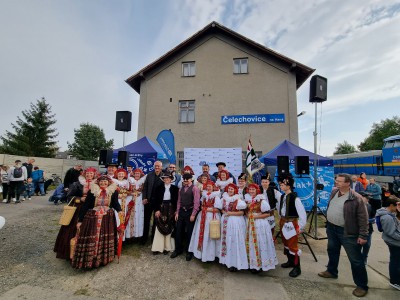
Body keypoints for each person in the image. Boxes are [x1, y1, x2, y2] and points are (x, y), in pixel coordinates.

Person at [318, 173, 369, 298]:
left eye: (340, 181)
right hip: (332, 228)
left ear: (348, 183)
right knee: (332, 251)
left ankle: (362, 286)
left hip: (347, 232)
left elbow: (363, 218)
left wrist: (363, 235)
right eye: (336, 180)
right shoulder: (335, 191)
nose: (337, 182)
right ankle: (331, 271)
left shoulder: (356, 198)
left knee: (356, 260)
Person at [72, 175, 122, 269]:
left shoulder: (113, 191)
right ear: (98, 183)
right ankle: (91, 259)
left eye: (105, 182)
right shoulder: (93, 191)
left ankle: (104, 258)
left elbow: (115, 203)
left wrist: (119, 211)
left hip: (107, 218)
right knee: (93, 236)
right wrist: (80, 220)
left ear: (109, 183)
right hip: (93, 217)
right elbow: (86, 205)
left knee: (105, 237)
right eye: (101, 182)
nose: (103, 183)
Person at [54, 167, 97, 260]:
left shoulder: (97, 184)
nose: (89, 175)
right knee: (74, 228)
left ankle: (88, 252)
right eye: (87, 174)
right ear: (84, 174)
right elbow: (69, 197)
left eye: (91, 174)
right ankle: (70, 252)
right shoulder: (77, 184)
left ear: (94, 175)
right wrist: (79, 199)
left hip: (92, 209)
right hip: (79, 208)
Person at [277, 173, 306, 278]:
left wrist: (301, 227)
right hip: (283, 221)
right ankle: (290, 261)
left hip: (291, 223)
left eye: (282, 185)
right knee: (286, 243)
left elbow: (302, 214)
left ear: (288, 186)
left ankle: (297, 268)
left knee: (293, 245)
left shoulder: (295, 199)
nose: (281, 186)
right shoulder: (283, 196)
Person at [244, 183, 278, 273]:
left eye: (253, 190)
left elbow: (267, 214)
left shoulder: (261, 200)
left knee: (260, 243)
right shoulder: (247, 200)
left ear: (257, 190)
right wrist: (248, 215)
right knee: (251, 243)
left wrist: (255, 217)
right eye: (250, 190)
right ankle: (252, 263)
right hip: (250, 224)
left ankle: (261, 264)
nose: (251, 191)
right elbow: (246, 212)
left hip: (259, 224)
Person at [188, 180, 222, 262]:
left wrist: (206, 209)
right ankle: (200, 253)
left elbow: (218, 210)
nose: (208, 188)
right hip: (202, 216)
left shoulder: (216, 197)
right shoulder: (203, 196)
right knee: (202, 233)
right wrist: (203, 209)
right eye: (207, 186)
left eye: (210, 186)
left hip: (212, 218)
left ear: (213, 187)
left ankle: (211, 255)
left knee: (211, 234)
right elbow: (201, 206)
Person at [170, 173, 200, 261]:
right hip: (181, 212)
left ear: (191, 179)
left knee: (189, 232)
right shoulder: (181, 189)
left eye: (188, 179)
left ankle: (189, 251)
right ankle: (178, 249)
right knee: (178, 230)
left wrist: (193, 214)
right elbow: (179, 201)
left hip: (190, 212)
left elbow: (196, 203)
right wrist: (177, 213)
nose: (186, 180)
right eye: (184, 179)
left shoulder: (195, 188)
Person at [219, 183, 248, 271]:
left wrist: (230, 213)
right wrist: (224, 211)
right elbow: (221, 208)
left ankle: (236, 263)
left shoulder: (238, 199)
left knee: (235, 241)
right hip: (225, 221)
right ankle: (227, 260)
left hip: (235, 222)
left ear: (235, 190)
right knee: (226, 240)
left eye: (232, 189)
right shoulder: (224, 198)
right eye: (229, 189)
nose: (230, 190)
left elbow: (242, 213)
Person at [375, 195, 400, 291]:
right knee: (396, 262)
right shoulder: (387, 217)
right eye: (397, 205)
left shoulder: (391, 214)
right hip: (394, 243)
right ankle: (395, 281)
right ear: (391, 205)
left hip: (395, 241)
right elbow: (391, 233)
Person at [152, 171, 179, 254]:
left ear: (171, 179)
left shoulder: (175, 189)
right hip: (160, 208)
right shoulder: (158, 188)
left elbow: (177, 201)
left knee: (169, 226)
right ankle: (158, 247)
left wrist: (175, 211)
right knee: (159, 226)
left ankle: (167, 247)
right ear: (163, 179)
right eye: (165, 178)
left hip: (171, 209)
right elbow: (155, 200)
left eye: (168, 178)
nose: (166, 179)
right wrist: (156, 210)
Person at [141, 161, 164, 244]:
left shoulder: (164, 176)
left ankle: (154, 239)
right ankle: (144, 238)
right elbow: (145, 187)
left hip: (158, 202)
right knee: (146, 220)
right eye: (155, 166)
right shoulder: (149, 175)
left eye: (158, 166)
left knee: (156, 221)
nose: (157, 167)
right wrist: (144, 198)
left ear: (161, 167)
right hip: (148, 201)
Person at [126, 168, 147, 240]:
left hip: (139, 200)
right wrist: (131, 193)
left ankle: (138, 234)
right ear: (133, 174)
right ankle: (130, 235)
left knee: (139, 216)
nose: (137, 175)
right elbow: (126, 190)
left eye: (138, 173)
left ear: (140, 174)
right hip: (131, 199)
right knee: (131, 215)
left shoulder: (143, 181)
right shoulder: (130, 180)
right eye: (136, 173)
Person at [112, 168, 132, 242]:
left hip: (124, 202)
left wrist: (126, 194)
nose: (120, 175)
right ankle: (115, 237)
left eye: (122, 174)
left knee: (123, 218)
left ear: (124, 175)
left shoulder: (126, 182)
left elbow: (130, 191)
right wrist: (117, 196)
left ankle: (121, 238)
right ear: (116, 174)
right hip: (116, 202)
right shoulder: (113, 181)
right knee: (116, 217)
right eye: (119, 174)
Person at [359, 192, 374, 265]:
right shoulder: (355, 206)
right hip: (358, 229)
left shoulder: (369, 206)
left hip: (368, 229)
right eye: (367, 198)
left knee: (367, 245)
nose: (368, 200)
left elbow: (373, 216)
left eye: (369, 199)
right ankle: (357, 258)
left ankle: (364, 258)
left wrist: (371, 220)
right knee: (357, 245)